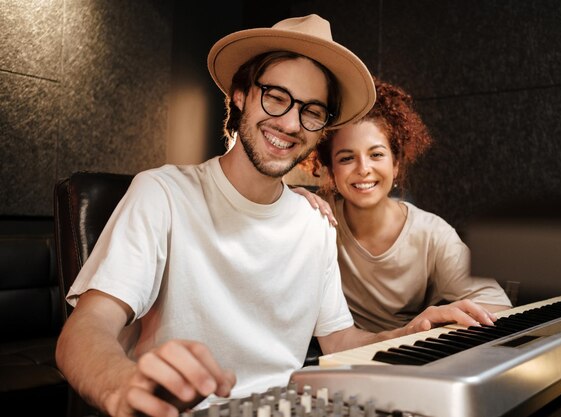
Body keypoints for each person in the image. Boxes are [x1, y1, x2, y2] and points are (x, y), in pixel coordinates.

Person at [55, 15, 500, 417]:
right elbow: (86, 330)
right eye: (276, 98)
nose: (290, 124)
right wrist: (120, 383)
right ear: (242, 96)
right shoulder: (163, 193)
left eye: (311, 111)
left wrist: (411, 332)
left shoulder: (315, 222)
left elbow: (341, 341)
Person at [295, 76, 512, 333]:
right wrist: (288, 201)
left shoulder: (432, 234)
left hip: (411, 356)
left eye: (376, 155)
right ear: (330, 170)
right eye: (346, 158)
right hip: (345, 355)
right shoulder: (318, 218)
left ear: (396, 164)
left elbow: (499, 306)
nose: (364, 169)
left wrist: (435, 322)